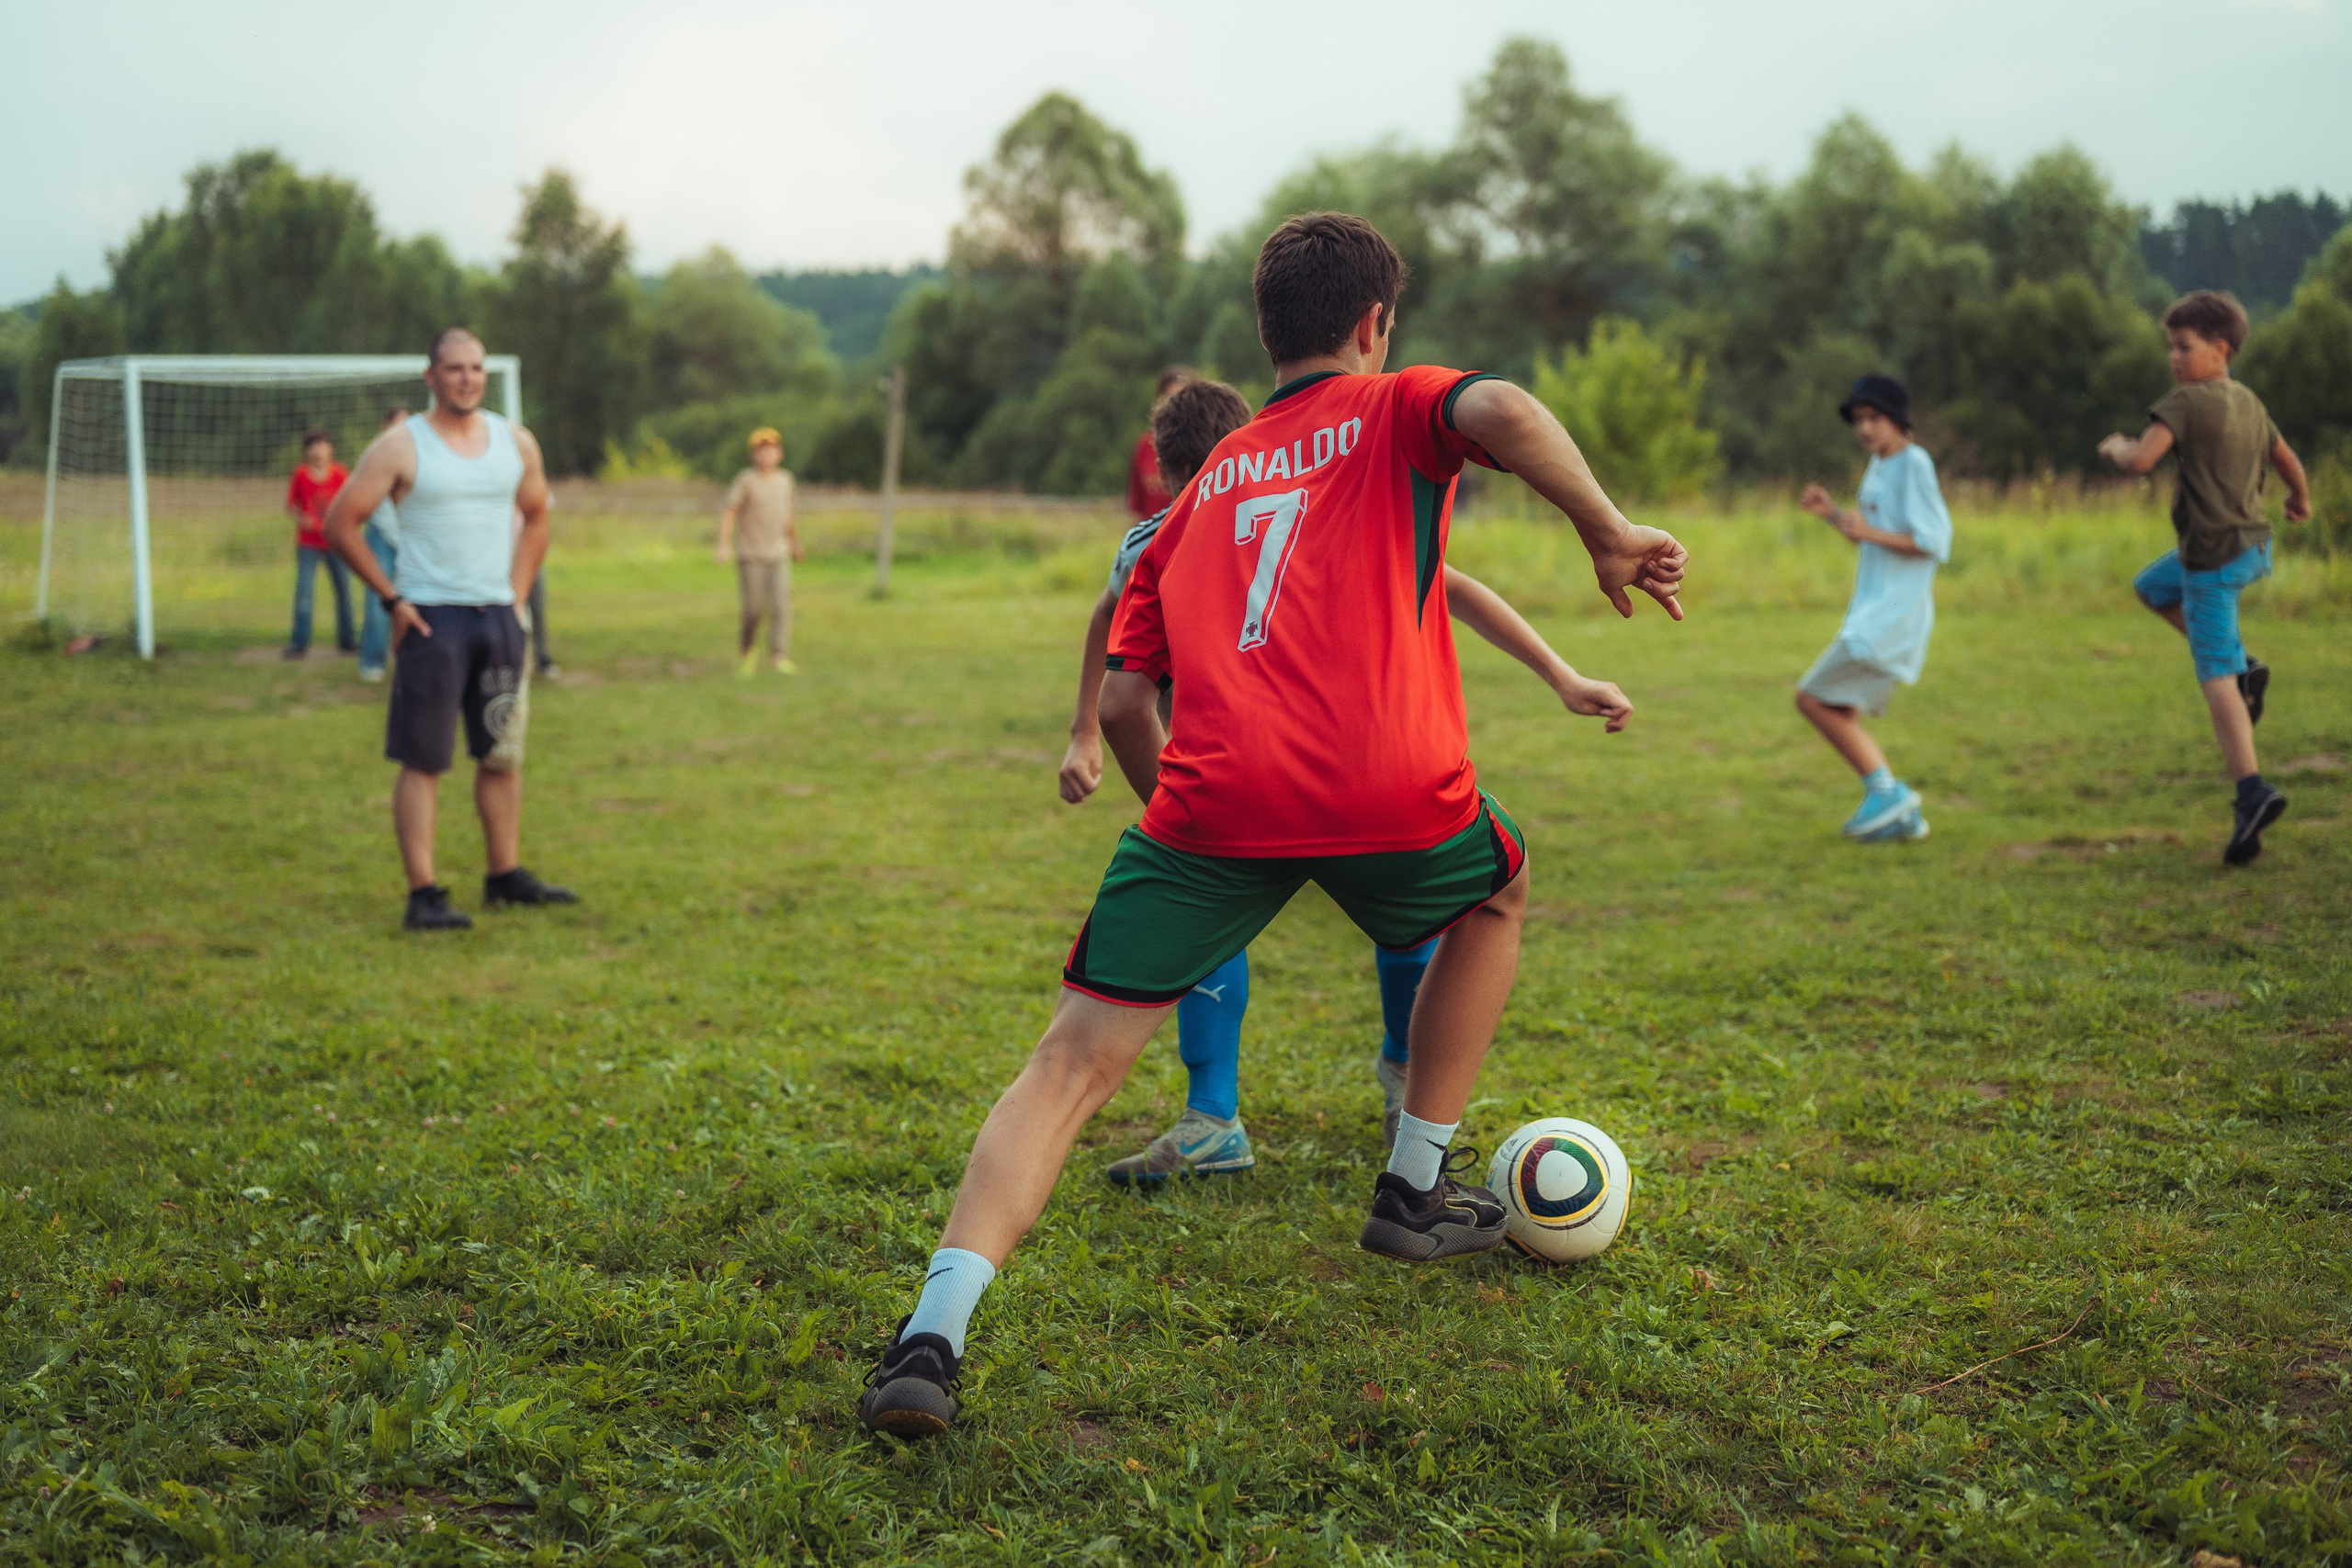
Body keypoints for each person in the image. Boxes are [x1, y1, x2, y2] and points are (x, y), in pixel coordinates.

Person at [858, 212, 1686, 1437]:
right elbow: (1502, 407)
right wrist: (1606, 528)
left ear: (1265, 330)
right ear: (1373, 323)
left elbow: (1127, 695)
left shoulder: (1188, 504)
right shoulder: (1391, 405)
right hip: (1388, 783)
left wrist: (1187, 819)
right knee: (1495, 891)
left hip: (1214, 801)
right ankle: (1413, 1180)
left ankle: (929, 1337)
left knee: (1069, 1062)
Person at [1059, 378, 1634, 1182]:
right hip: (1267, 782)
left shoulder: (1208, 525)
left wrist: (1095, 736)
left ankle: (1242, 1110)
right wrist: (1089, 730)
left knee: (1383, 919)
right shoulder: (1173, 540)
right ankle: (1345, 1099)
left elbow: (1447, 584)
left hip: (1267, 781)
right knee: (1411, 916)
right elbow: (1108, 622)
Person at [322, 328, 578, 931]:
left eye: (476, 368)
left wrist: (515, 596)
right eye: (454, 368)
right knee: (424, 761)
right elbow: (341, 523)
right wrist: (393, 600)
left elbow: (538, 517)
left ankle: (504, 874)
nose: (467, 378)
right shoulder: (400, 446)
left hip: (498, 619)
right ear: (430, 375)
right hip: (433, 620)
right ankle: (424, 893)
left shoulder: (515, 443)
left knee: (501, 755)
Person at [2100, 290, 2312, 866]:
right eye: (2169, 346)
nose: (2173, 356)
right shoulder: (2249, 402)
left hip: (2212, 557)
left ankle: (2252, 790)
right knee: (2151, 588)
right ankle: (2244, 666)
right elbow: (2286, 455)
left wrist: (2119, 447)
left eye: (2183, 346)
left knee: (2213, 673)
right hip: (2251, 547)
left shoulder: (2186, 402)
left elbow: (2144, 459)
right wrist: (2300, 496)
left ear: (2221, 349)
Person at [1793, 375, 1951, 843]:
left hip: (1892, 616)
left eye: (1873, 418)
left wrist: (1867, 533)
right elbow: (1870, 531)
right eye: (1858, 419)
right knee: (1839, 705)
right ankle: (1905, 820)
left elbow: (1933, 542)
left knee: (1812, 699)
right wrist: (1833, 516)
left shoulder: (1914, 463)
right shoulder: (1878, 465)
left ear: (1897, 420)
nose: (1864, 428)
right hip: (1871, 610)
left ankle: (1888, 792)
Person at [717, 427, 804, 675]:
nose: (767, 455)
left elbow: (787, 517)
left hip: (779, 553)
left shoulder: (786, 481)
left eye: (771, 450)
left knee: (781, 607)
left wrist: (795, 544)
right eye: (761, 451)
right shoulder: (746, 480)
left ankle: (779, 656)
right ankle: (747, 651)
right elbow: (729, 511)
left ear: (780, 453)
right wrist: (723, 545)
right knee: (753, 610)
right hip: (751, 554)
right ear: (754, 455)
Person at [284, 428, 356, 660]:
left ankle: (347, 641)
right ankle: (299, 643)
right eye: (313, 446)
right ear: (307, 450)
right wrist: (302, 518)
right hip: (308, 543)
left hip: (336, 542)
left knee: (344, 591)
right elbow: (290, 505)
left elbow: (351, 500)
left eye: (322, 445)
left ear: (330, 448)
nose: (318, 450)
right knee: (304, 591)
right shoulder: (301, 474)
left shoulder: (340, 473)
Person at [356, 406, 410, 682]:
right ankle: (372, 660)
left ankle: (407, 657)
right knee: (379, 598)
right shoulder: (375, 456)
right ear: (384, 427)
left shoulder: (418, 453)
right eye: (397, 424)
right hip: (381, 535)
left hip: (411, 538)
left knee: (414, 599)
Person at [1125, 367, 1191, 521]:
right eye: (1170, 399)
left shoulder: (1204, 444)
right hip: (1153, 537)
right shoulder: (1146, 445)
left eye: (1182, 400)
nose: (1176, 408)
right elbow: (1137, 507)